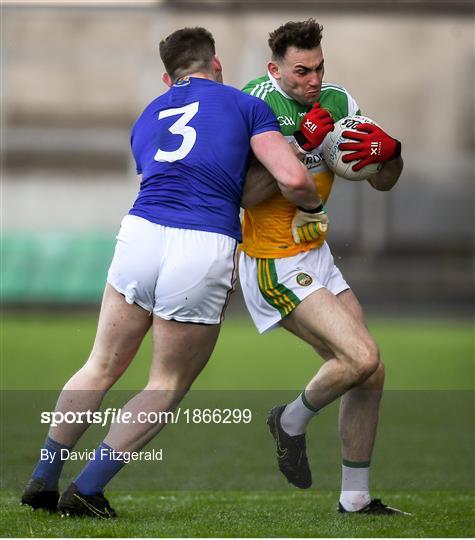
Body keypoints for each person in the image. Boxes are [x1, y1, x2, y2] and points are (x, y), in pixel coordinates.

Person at [20, 26, 327, 519]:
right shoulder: (245, 104)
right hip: (201, 242)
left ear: (169, 77)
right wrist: (312, 202)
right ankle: (88, 489)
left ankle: (43, 476)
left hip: (140, 231)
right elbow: (290, 178)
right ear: (217, 65)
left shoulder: (147, 115)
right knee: (166, 382)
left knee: (100, 364)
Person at [239, 19, 409, 515]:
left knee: (371, 372)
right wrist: (300, 147)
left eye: (318, 68)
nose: (313, 80)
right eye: (300, 71)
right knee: (359, 357)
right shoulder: (254, 105)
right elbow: (244, 195)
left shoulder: (337, 101)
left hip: (315, 255)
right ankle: (288, 421)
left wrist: (391, 153)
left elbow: (383, 182)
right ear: (275, 69)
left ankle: (354, 499)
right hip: (273, 259)